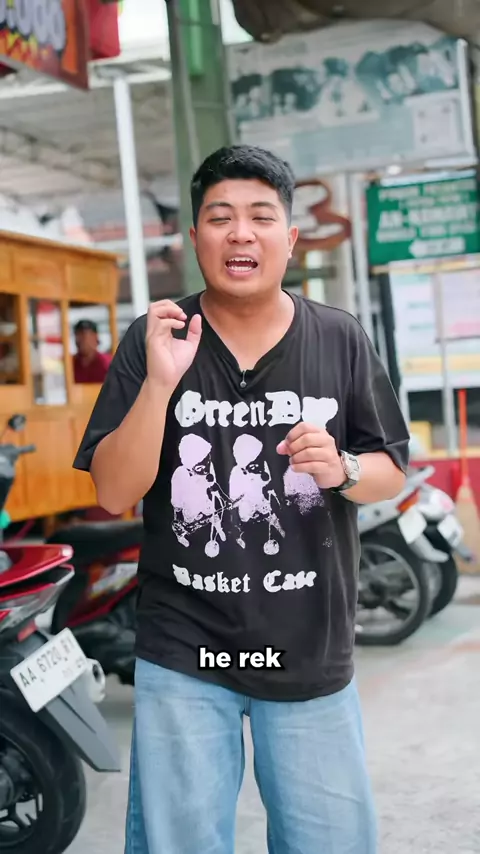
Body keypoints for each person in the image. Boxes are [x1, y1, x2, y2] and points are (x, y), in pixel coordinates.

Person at [72, 144, 410, 854]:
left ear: (290, 237)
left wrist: (342, 467)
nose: (240, 234)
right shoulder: (156, 338)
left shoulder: (339, 338)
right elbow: (114, 490)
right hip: (185, 649)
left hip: (309, 645)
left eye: (260, 216)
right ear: (195, 236)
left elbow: (390, 472)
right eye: (220, 217)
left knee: (330, 842)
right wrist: (160, 384)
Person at [73, 318, 111, 383]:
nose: (83, 340)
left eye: (86, 336)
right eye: (78, 335)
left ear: (96, 337)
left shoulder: (106, 363)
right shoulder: (71, 364)